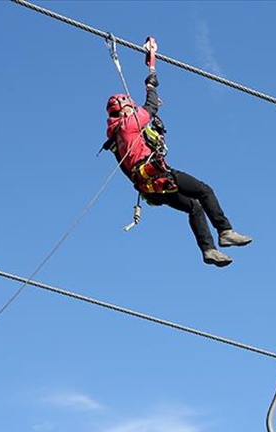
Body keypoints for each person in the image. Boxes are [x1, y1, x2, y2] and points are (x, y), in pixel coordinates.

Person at [102, 39, 252, 268]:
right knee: (204, 190)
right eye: (130, 106)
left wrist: (154, 129)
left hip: (150, 188)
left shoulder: (116, 139)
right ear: (124, 108)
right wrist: (151, 86)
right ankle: (225, 231)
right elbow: (150, 107)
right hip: (159, 176)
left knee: (193, 206)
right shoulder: (129, 124)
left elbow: (146, 138)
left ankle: (209, 250)